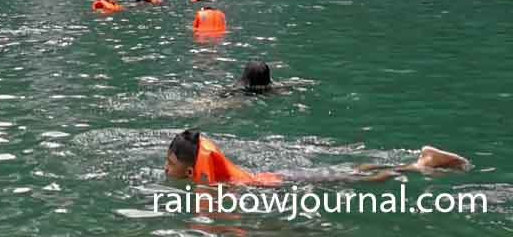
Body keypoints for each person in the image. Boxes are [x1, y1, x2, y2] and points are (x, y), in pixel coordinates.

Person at [165, 129, 469, 186]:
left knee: (357, 180)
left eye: (170, 164)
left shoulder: (212, 184)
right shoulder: (210, 167)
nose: (165, 168)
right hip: (281, 174)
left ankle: (420, 165)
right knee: (350, 171)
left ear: (191, 172)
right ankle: (414, 163)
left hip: (283, 183)